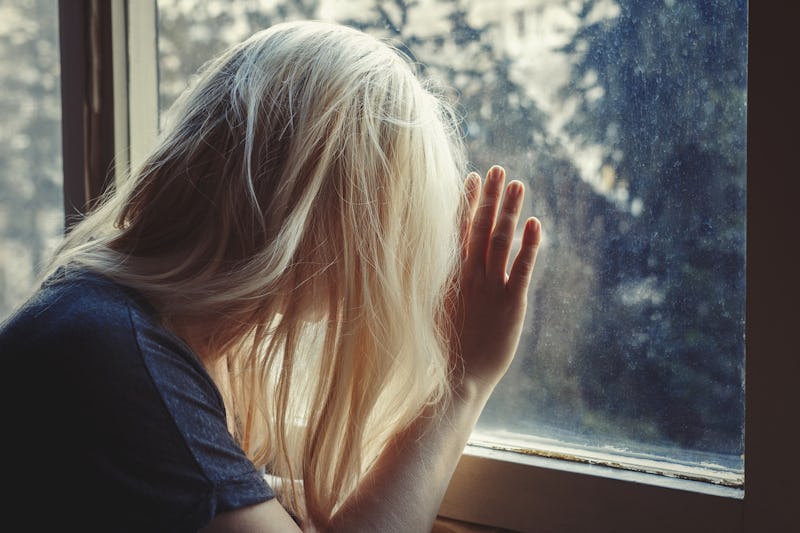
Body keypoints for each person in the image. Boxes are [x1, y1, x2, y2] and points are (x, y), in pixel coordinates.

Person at [1, 20, 541, 532]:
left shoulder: (102, 318)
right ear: (321, 213)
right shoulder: (118, 360)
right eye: (396, 220)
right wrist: (461, 383)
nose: (401, 259)